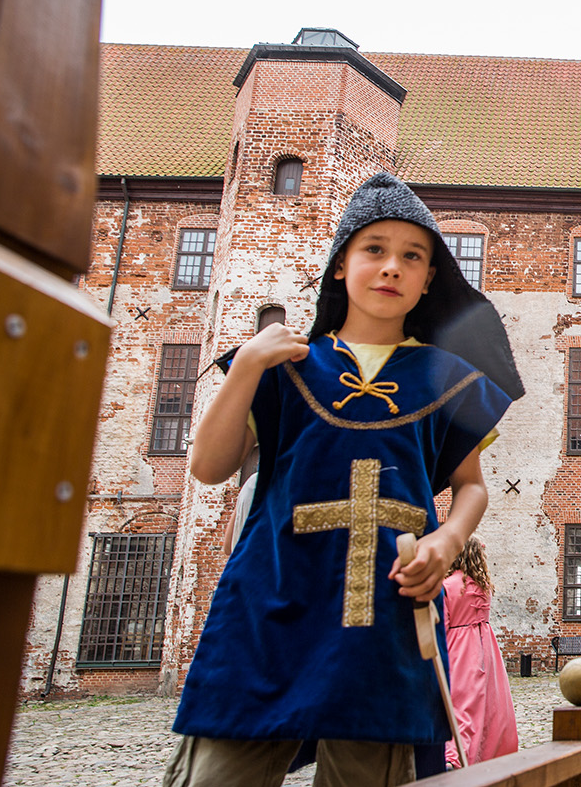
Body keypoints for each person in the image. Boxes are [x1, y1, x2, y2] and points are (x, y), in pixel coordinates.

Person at [165, 171, 525, 786]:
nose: (392, 268)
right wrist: (247, 364)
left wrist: (447, 541)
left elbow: (471, 485)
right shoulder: (282, 366)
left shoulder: (446, 378)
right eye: (374, 250)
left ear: (429, 279)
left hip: (386, 612)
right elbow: (208, 466)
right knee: (218, 776)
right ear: (340, 266)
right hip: (273, 601)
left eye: (412, 257)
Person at [442, 537, 519, 768]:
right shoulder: (483, 586)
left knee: (461, 703)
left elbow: (444, 625)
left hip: (459, 647)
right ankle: (490, 754)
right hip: (485, 646)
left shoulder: (447, 586)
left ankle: (455, 757)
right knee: (489, 704)